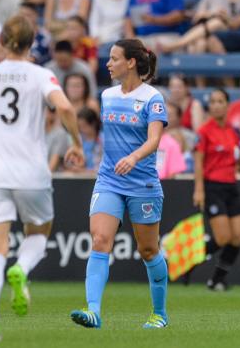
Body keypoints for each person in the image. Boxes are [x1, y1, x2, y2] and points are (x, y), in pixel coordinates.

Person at [0, 15, 84, 340]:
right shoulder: (42, 75)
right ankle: (23, 269)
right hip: (31, 170)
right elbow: (67, 110)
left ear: (2, 41)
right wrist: (76, 143)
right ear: (33, 43)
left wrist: (0, 126)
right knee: (39, 232)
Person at [69, 39, 169, 329]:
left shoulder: (153, 98)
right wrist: (78, 148)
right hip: (109, 180)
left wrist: (134, 158)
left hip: (143, 184)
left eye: (113, 58)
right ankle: (94, 312)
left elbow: (154, 140)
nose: (108, 64)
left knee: (148, 250)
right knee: (100, 240)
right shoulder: (107, 95)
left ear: (131, 62)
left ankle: (160, 313)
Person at [193, 88, 240, 291]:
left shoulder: (233, 131)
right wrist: (199, 190)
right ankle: (191, 259)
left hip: (231, 186)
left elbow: (239, 157)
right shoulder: (204, 131)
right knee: (223, 238)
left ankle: (216, 280)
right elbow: (198, 163)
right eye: (213, 102)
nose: (216, 105)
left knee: (238, 236)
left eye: (220, 101)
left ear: (227, 105)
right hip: (212, 186)